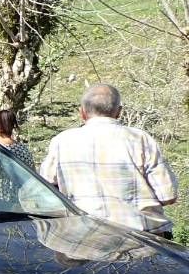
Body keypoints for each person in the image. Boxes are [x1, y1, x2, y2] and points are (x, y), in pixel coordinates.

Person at [39, 84, 178, 236]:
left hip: (82, 236)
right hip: (140, 237)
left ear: (82, 112)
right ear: (119, 112)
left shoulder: (62, 141)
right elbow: (168, 195)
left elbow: (43, 188)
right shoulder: (140, 139)